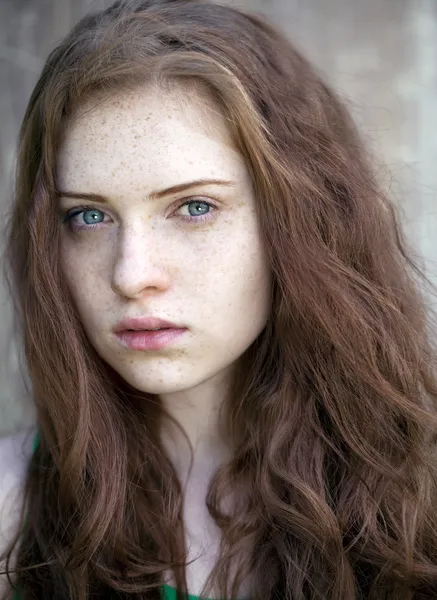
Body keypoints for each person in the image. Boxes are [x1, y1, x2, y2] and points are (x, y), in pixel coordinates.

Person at [1, 0, 437, 598]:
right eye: (89, 215)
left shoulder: (420, 493)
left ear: (302, 222)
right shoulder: (11, 508)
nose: (132, 275)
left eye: (194, 207)